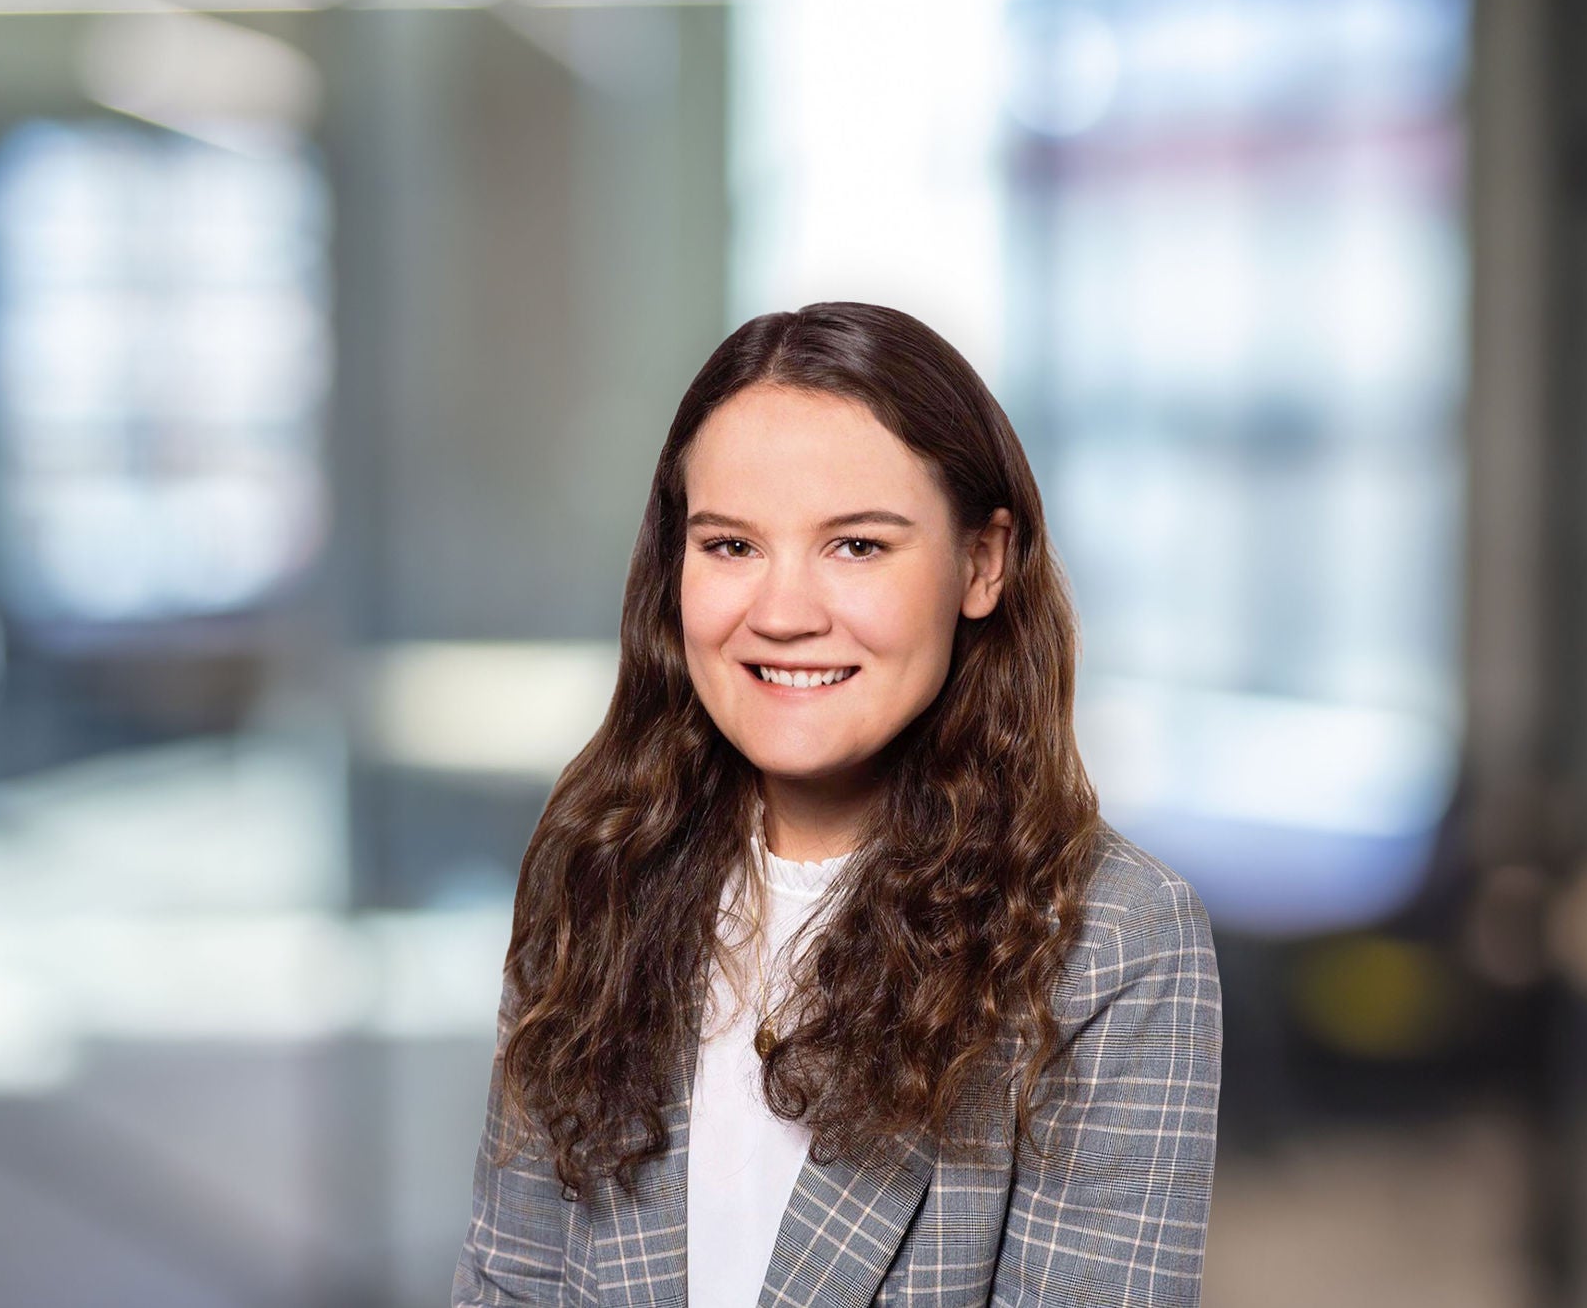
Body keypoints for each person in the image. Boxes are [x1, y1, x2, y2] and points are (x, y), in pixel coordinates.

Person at [452, 302, 1222, 1307]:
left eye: (855, 546)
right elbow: (507, 1281)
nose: (781, 614)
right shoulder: (599, 863)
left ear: (981, 562)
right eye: (731, 546)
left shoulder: (1110, 942)